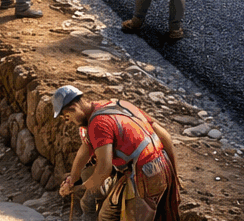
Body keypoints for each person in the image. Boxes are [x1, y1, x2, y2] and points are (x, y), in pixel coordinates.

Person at [53, 85, 180, 221]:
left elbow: (104, 169)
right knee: (107, 215)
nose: (69, 122)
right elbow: (164, 135)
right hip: (160, 165)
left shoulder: (98, 124)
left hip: (145, 175)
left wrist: (80, 188)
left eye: (67, 117)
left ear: (73, 107)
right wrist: (73, 180)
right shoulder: (117, 105)